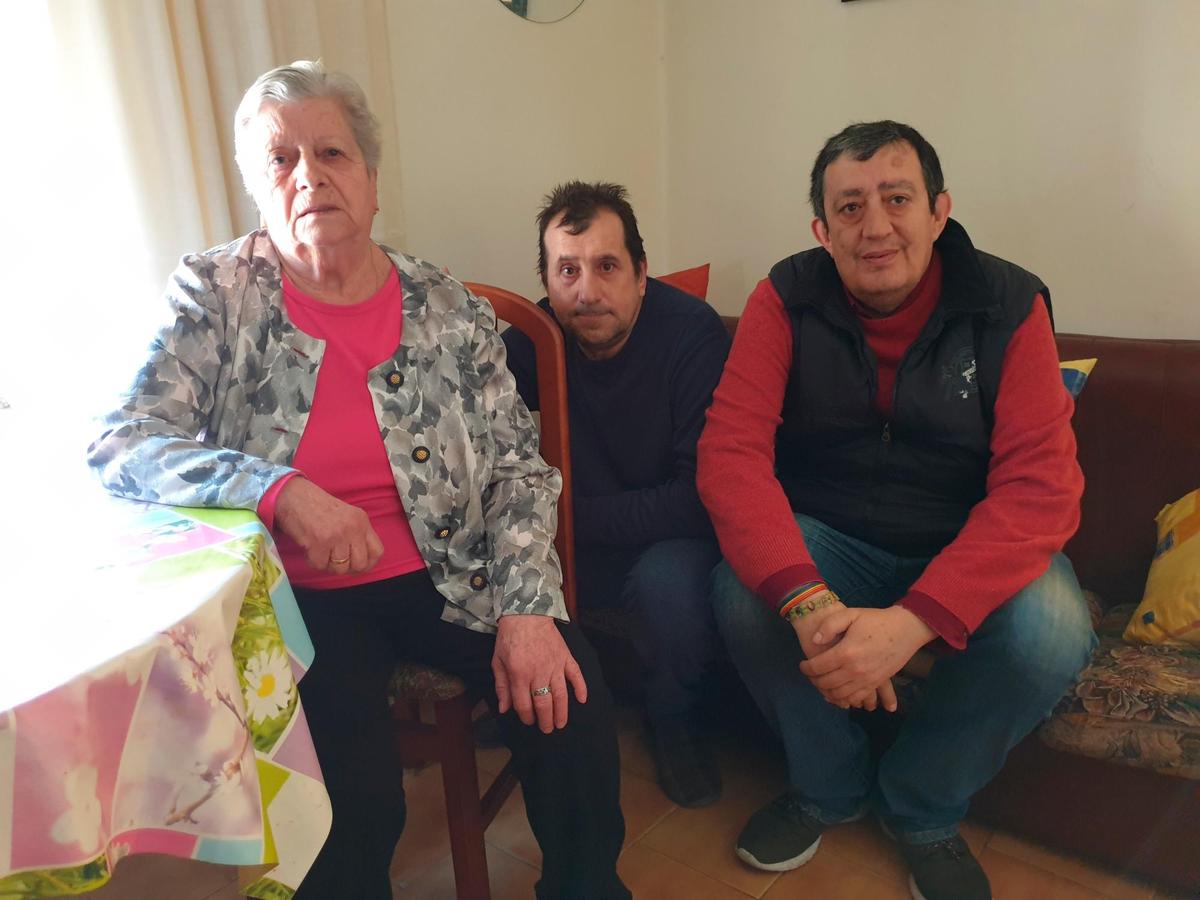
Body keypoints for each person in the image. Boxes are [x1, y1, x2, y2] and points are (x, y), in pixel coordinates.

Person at [87, 60, 629, 900]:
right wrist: (281, 490)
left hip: (451, 575)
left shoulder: (447, 307)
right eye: (280, 159)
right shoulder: (216, 294)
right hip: (296, 598)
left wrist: (527, 607)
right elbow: (123, 442)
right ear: (256, 186)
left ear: (371, 180)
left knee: (572, 703)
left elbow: (521, 465)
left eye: (332, 153)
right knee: (350, 802)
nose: (309, 175)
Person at [696, 121, 1096, 900]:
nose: (874, 226)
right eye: (848, 207)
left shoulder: (1011, 304)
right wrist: (809, 601)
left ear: (939, 212)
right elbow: (731, 454)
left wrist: (913, 621)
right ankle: (828, 786)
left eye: (897, 198)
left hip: (965, 542)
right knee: (738, 590)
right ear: (822, 229)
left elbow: (1039, 488)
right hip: (832, 538)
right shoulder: (785, 295)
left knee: (1054, 628)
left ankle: (922, 806)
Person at [502, 182, 731, 807]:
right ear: (547, 282)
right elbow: (498, 474)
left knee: (670, 583)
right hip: (571, 535)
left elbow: (696, 496)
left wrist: (566, 519)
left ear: (641, 273)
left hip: (668, 534)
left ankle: (673, 722)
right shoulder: (527, 343)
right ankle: (514, 711)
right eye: (567, 270)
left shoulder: (692, 336)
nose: (587, 291)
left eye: (607, 266)